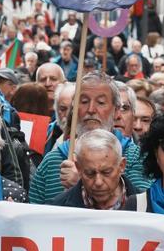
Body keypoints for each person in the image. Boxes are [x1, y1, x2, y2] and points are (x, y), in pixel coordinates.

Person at [29, 73, 149, 204]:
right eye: (84, 102)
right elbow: (35, 216)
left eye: (101, 102)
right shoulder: (52, 161)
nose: (91, 110)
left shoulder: (135, 157)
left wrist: (82, 184)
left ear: (116, 111)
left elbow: (143, 210)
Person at [53, 129, 131, 210]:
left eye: (106, 172)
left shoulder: (142, 206)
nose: (98, 182)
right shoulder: (58, 209)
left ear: (121, 166)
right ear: (78, 168)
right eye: (90, 173)